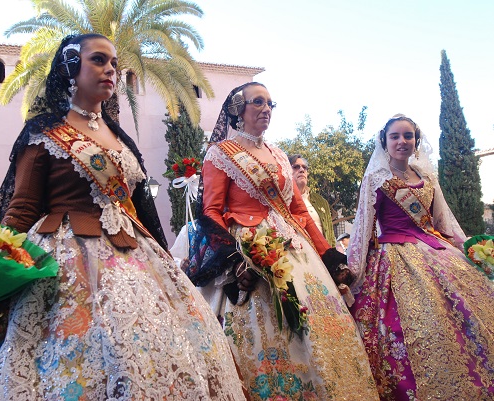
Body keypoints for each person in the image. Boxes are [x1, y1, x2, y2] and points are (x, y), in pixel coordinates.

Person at [0, 34, 247, 401]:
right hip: (62, 262)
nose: (110, 70)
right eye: (99, 60)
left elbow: (138, 210)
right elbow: (22, 208)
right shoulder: (44, 132)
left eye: (114, 64)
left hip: (135, 258)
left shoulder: (121, 138)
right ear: (71, 67)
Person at [186, 82, 378, 400]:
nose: (266, 109)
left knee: (320, 327)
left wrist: (329, 255)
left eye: (270, 104)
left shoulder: (278, 155)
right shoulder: (220, 155)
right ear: (237, 110)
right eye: (257, 102)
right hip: (251, 250)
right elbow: (212, 211)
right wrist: (233, 261)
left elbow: (298, 210)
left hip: (298, 251)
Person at [348, 114, 494, 399]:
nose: (402, 142)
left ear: (416, 141)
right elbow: (363, 228)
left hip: (436, 251)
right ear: (384, 141)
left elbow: (444, 222)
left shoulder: (427, 177)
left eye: (408, 136)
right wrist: (352, 272)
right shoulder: (376, 180)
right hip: (394, 257)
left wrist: (471, 249)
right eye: (395, 137)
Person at [288, 154, 336, 247]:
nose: (302, 170)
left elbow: (330, 235)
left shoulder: (320, 201)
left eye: (304, 167)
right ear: (287, 171)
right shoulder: (283, 200)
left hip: (323, 258)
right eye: (296, 167)